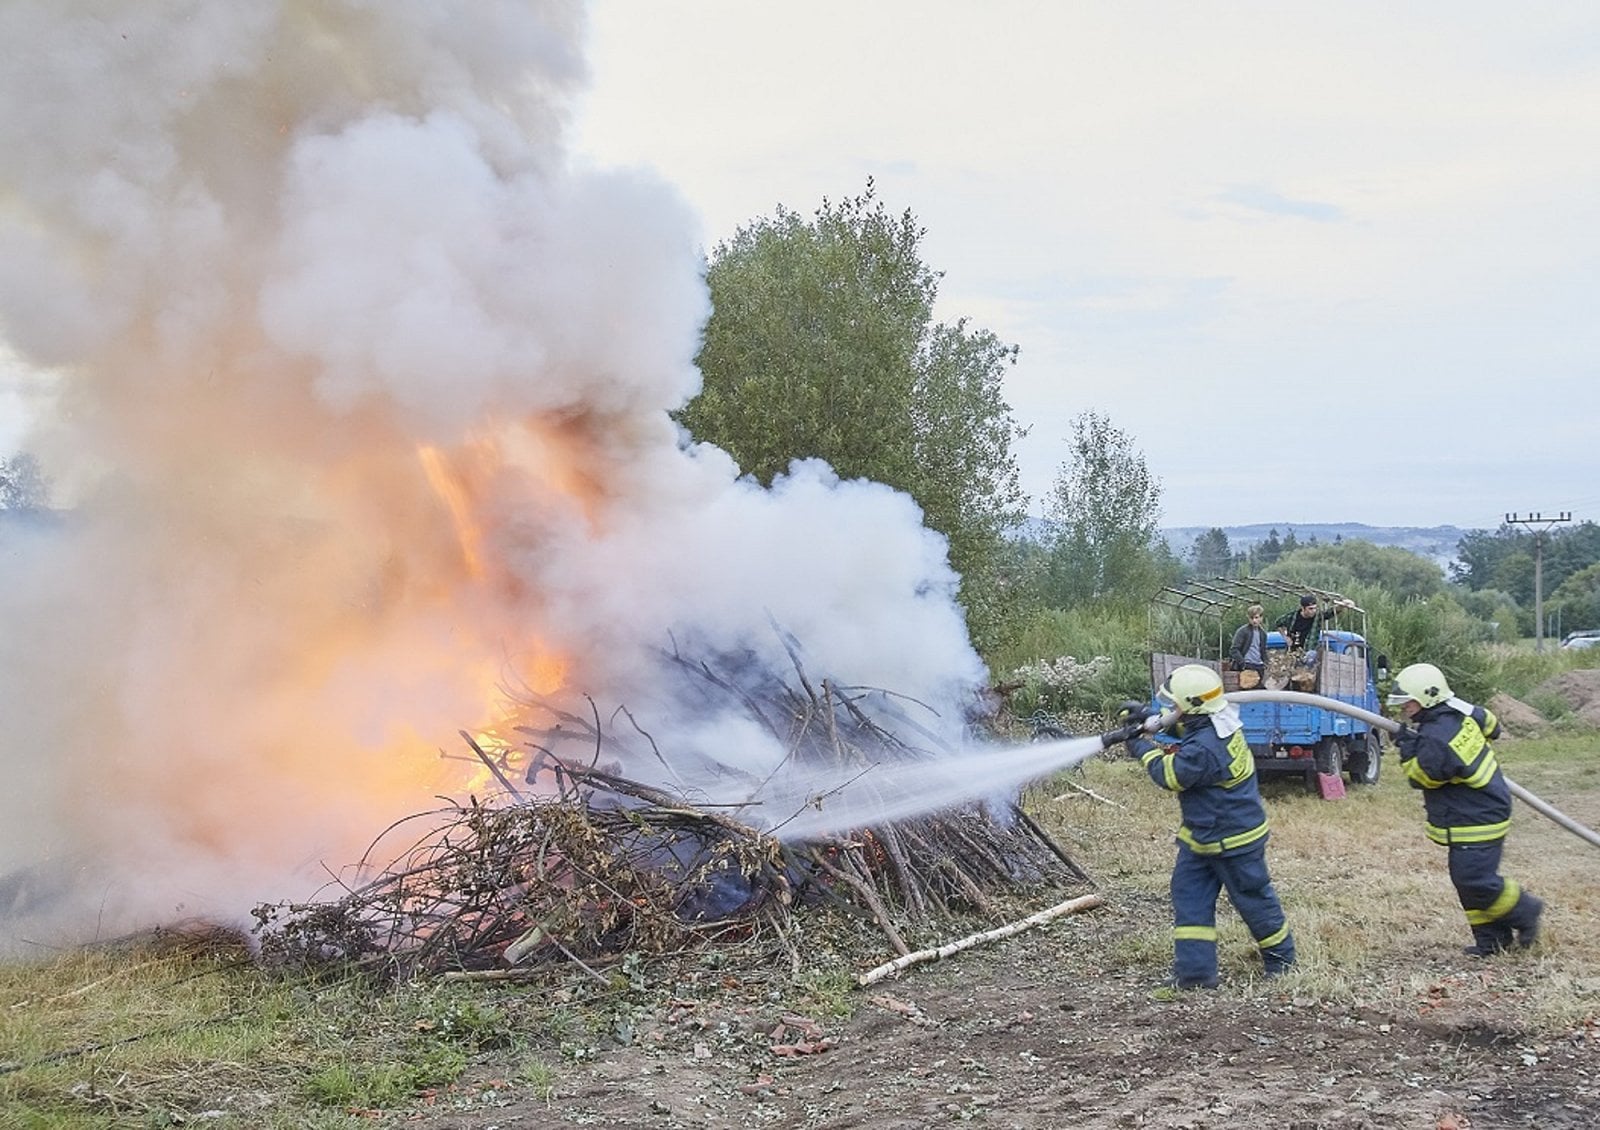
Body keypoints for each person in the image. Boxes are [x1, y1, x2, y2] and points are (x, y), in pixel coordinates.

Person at [1123, 664, 1296, 989]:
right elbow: (1187, 731)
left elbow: (1171, 774)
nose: (1170, 710)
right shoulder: (1219, 722)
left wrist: (1141, 747)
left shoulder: (1205, 748)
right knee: (1189, 897)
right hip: (1203, 837)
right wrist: (1149, 717)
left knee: (1253, 899)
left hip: (1234, 840)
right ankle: (1196, 974)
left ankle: (1283, 962)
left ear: (1191, 706)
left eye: (1174, 705)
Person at [1388, 662, 1544, 955]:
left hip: (1475, 817)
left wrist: (1408, 749)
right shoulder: (1461, 711)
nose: (1405, 708)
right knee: (1467, 881)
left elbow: (1422, 777)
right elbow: (1492, 726)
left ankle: (1526, 910)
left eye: (1408, 702)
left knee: (1474, 879)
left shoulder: (1436, 737)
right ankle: (1492, 941)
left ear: (1427, 698)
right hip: (1482, 808)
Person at [1273, 594, 1347, 651]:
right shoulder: (1292, 617)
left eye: (1315, 608)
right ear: (1303, 608)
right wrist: (1286, 638)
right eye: (1310, 609)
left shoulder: (1317, 617)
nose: (1313, 611)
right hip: (1292, 651)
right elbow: (1278, 623)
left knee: (1310, 657)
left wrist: (1342, 605)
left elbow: (1330, 612)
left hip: (1309, 650)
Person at [1229, 605, 1268, 689]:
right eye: (1251, 618)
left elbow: (1263, 650)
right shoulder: (1242, 631)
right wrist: (1242, 663)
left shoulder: (1263, 634)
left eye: (1256, 617)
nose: (1254, 620)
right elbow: (1234, 649)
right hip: (1247, 665)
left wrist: (1266, 663)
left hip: (1259, 666)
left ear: (1261, 618)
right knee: (1247, 691)